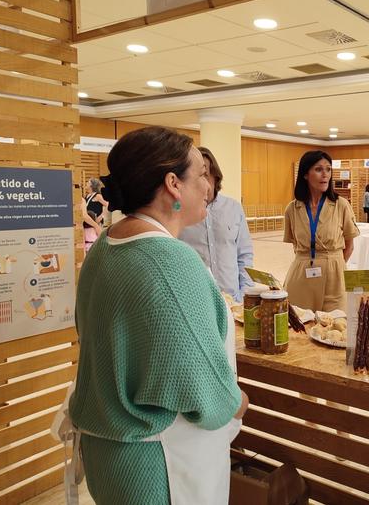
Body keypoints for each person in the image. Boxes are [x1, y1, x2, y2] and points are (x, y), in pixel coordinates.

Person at [69, 126, 249, 504]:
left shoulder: (106, 246)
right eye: (201, 174)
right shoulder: (171, 263)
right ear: (172, 184)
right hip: (159, 467)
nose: (209, 187)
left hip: (111, 456)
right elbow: (203, 387)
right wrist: (235, 402)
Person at [283, 150, 360, 312]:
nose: (325, 174)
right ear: (305, 174)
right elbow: (296, 246)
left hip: (334, 277)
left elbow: (349, 245)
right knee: (299, 326)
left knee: (336, 327)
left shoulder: (341, 205)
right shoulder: (292, 209)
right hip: (301, 275)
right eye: (318, 169)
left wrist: (333, 264)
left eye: (328, 169)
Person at [180, 147, 254, 301]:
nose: (201, 182)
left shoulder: (233, 208)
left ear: (216, 176)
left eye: (205, 175)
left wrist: (244, 295)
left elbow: (244, 255)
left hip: (233, 299)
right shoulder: (181, 212)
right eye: (196, 176)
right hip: (197, 299)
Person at [81, 178, 108, 254]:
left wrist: (102, 216)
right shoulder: (86, 196)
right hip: (89, 222)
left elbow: (108, 205)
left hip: (96, 222)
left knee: (97, 242)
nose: (86, 183)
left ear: (92, 185)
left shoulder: (98, 196)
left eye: (88, 182)